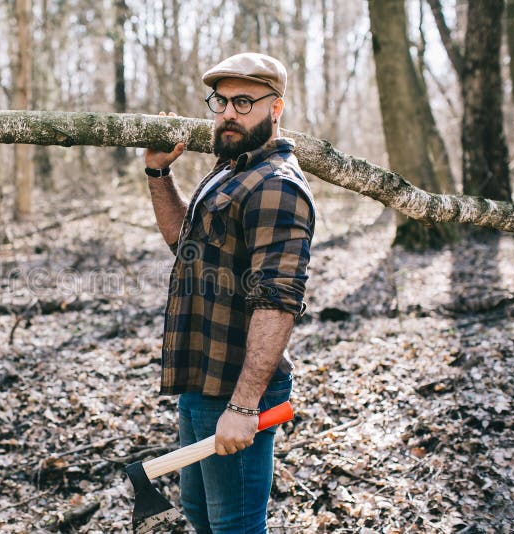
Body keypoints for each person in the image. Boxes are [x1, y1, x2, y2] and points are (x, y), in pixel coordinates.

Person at [144, 52, 316, 533]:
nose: (228, 114)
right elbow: (186, 245)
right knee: (202, 516)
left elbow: (278, 302)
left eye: (244, 102)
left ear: (276, 108)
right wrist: (159, 174)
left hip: (238, 389)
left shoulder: (277, 187)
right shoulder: (230, 170)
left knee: (235, 525)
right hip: (201, 377)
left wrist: (243, 408)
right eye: (221, 101)